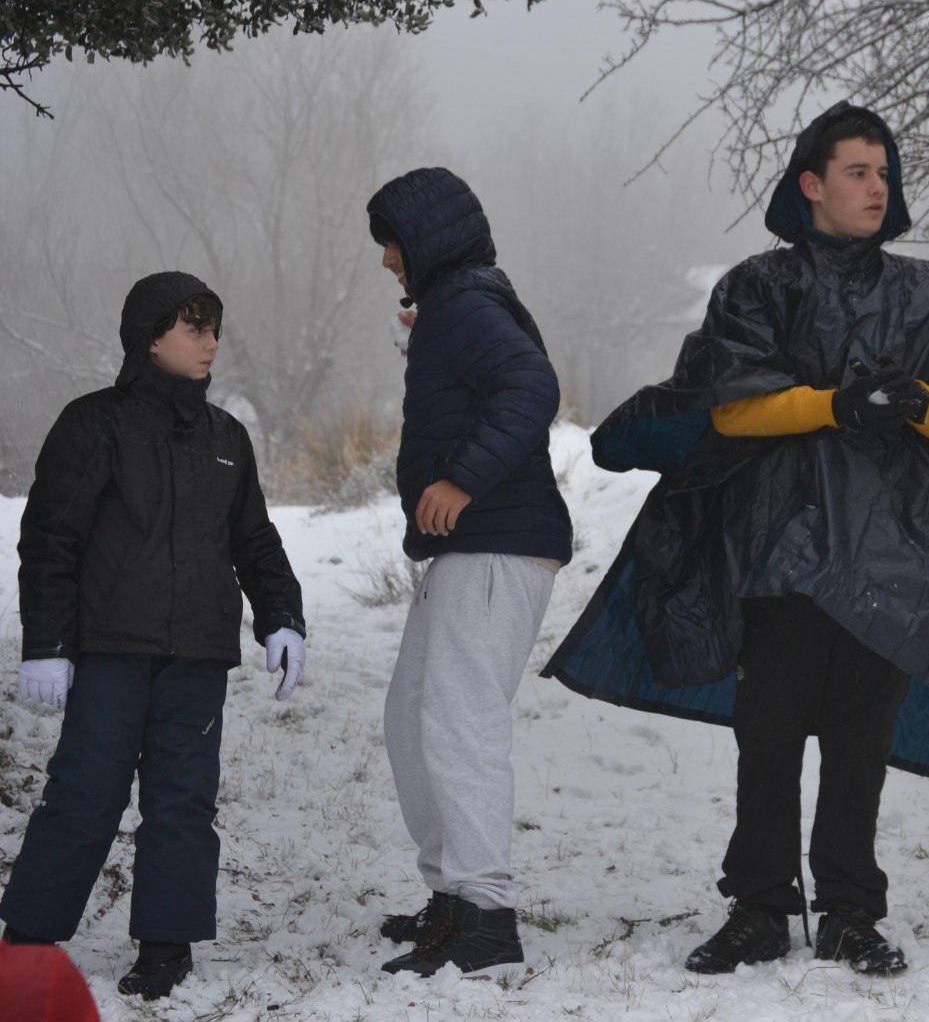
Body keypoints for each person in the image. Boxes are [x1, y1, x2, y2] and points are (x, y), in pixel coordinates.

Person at [543, 102, 929, 976]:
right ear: (811, 185)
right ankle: (760, 908)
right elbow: (732, 407)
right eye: (857, 172)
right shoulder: (758, 288)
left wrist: (922, 403)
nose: (877, 188)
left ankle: (849, 912)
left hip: (894, 552)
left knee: (861, 739)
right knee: (768, 732)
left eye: (884, 172)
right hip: (779, 549)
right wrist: (838, 405)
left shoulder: (924, 292)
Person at [0, 272, 307, 1000]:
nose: (211, 343)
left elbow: (255, 540)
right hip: (112, 648)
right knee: (85, 791)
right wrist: (47, 644)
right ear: (150, 339)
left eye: (214, 329)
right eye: (194, 328)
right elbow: (51, 539)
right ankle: (29, 938)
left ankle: (167, 947)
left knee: (183, 800)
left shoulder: (226, 437)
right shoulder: (95, 424)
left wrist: (282, 616)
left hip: (196, 654)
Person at [365, 167, 572, 979]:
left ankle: (487, 922)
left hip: (496, 540)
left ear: (425, 239)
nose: (386, 259)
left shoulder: (464, 305)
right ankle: (454, 898)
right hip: (471, 546)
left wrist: (461, 480)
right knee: (411, 719)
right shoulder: (457, 306)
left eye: (392, 242)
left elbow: (531, 386)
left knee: (459, 722)